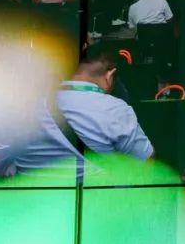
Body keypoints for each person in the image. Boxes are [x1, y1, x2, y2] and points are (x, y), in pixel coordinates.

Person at [15, 46, 153, 172]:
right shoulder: (115, 109)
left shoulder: (26, 106)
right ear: (109, 75)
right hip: (94, 191)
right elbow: (147, 164)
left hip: (29, 190)